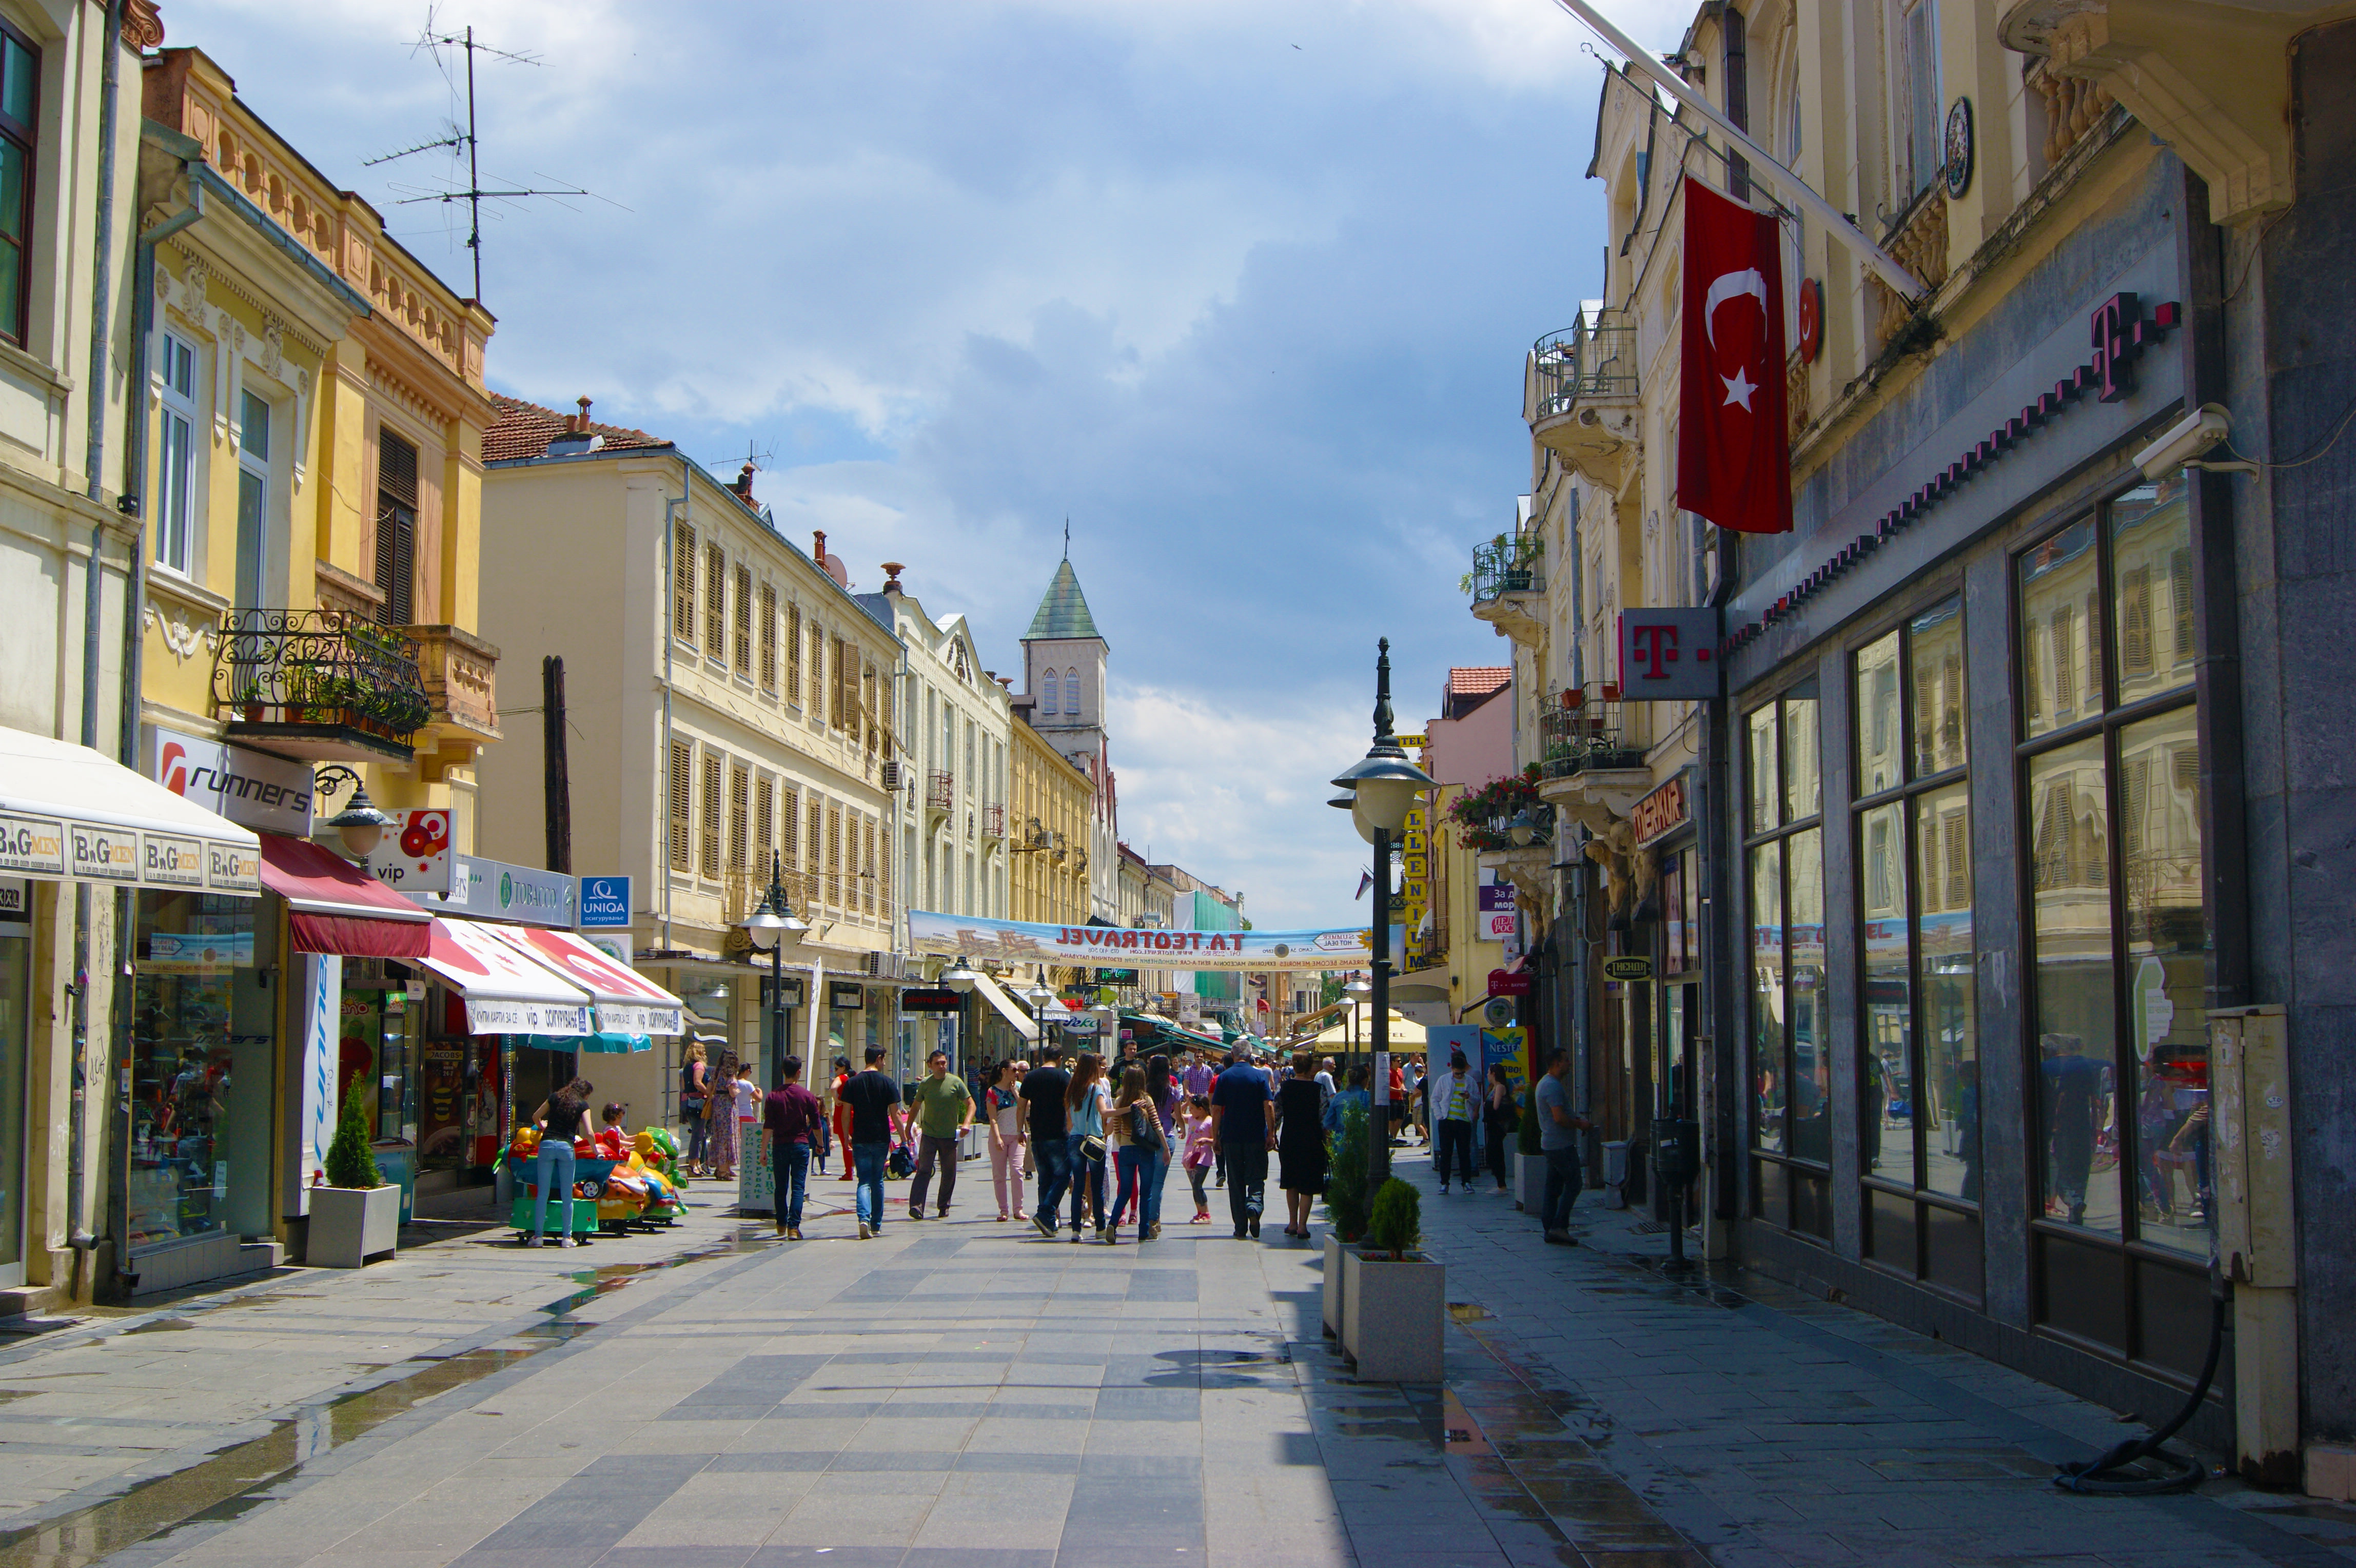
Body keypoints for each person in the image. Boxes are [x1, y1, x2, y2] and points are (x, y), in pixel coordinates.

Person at [840, 1045, 905, 1240]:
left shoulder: (853, 1083)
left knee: (864, 1180)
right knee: (877, 1180)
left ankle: (863, 1218)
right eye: (883, 1059)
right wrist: (903, 1137)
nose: (884, 1063)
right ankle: (876, 1224)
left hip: (860, 1137)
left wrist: (845, 1136)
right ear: (878, 1059)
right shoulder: (887, 1082)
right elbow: (896, 1113)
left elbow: (845, 1114)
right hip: (880, 1138)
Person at [1210, 1045, 1274, 1238]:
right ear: (1250, 1056)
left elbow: (1216, 1109)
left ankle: (1240, 1226)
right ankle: (1254, 1206)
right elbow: (1268, 1105)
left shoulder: (1224, 1077)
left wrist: (1216, 1137)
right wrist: (1271, 1133)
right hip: (1256, 1136)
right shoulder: (1259, 1077)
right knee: (1256, 1177)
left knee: (1236, 1181)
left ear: (1233, 1055)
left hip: (1231, 1136)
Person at [528, 1078, 596, 1248]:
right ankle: (567, 1238)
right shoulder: (583, 1105)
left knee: (542, 1193)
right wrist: (596, 1151)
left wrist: (542, 1126)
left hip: (547, 1144)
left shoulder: (554, 1097)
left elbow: (536, 1116)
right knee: (567, 1195)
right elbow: (589, 1132)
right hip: (567, 1147)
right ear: (584, 1094)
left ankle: (538, 1237)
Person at [907, 1049, 973, 1220]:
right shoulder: (926, 1084)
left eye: (943, 1063)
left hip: (949, 1136)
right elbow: (915, 1107)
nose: (941, 1066)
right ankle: (916, 1207)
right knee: (924, 1170)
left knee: (949, 1172)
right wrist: (908, 1128)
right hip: (929, 1135)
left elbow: (971, 1104)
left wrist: (966, 1123)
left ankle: (944, 1206)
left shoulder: (955, 1082)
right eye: (937, 1063)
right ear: (930, 1066)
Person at [762, 1055, 823, 1239]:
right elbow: (817, 1124)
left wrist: (763, 1150)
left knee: (780, 1187)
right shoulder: (807, 1096)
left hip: (779, 1146)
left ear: (783, 1071)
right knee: (798, 1187)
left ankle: (781, 1223)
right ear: (799, 1072)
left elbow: (768, 1126)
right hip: (800, 1145)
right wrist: (820, 1145)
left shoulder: (773, 1096)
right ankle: (794, 1227)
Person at [1536, 1048, 1592, 1244]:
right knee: (1574, 1183)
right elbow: (1559, 1118)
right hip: (1561, 1145)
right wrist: (1579, 1124)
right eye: (1567, 1060)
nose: (1569, 1063)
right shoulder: (1552, 1086)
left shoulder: (1547, 1084)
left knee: (1553, 1186)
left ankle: (1549, 1227)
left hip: (1551, 1144)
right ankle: (1559, 1226)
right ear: (1557, 1063)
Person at [1108, 1064, 1169, 1243]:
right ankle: (1143, 1231)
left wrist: (1124, 1144)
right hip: (1145, 1150)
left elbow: (1117, 1130)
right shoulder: (1146, 1100)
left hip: (1126, 1150)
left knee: (1125, 1191)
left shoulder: (1120, 1101)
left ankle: (1113, 1224)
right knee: (1146, 1192)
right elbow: (1157, 1125)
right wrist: (1165, 1148)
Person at [1274, 1051, 1328, 1238]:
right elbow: (1324, 1118)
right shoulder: (1318, 1089)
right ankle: (1303, 1227)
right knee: (1308, 1184)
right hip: (1312, 1139)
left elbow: (1277, 1113)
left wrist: (1272, 1134)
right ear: (1310, 1067)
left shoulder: (1285, 1087)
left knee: (1291, 1182)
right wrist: (1327, 1140)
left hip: (1290, 1139)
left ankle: (1292, 1222)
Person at [1023, 1052, 1073, 1238]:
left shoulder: (1031, 1077)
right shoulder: (1063, 1076)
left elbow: (1022, 1105)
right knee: (1063, 1175)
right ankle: (1045, 1212)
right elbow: (1068, 1103)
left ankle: (1049, 1223)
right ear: (1060, 1058)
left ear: (1044, 1057)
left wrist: (1022, 1129)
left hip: (1037, 1134)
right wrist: (1071, 1126)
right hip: (1057, 1134)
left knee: (1044, 1178)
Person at [1066, 1051, 1111, 1241]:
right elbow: (1104, 1111)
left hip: (1076, 1139)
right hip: (1093, 1141)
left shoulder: (1071, 1090)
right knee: (1096, 1185)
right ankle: (1100, 1227)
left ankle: (1076, 1230)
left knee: (1078, 1186)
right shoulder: (1096, 1089)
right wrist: (1125, 1109)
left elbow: (1069, 1124)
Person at [1427, 1048, 1478, 1192]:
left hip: (1464, 1121)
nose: (1460, 1076)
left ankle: (1466, 1182)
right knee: (1446, 1153)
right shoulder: (1444, 1080)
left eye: (1462, 1073)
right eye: (1457, 1073)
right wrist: (1440, 1117)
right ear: (1452, 1069)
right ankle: (1445, 1183)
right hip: (1447, 1121)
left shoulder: (1471, 1081)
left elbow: (1477, 1099)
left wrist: (1469, 1097)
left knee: (1464, 1153)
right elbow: (1435, 1099)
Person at [986, 1062, 1028, 1222]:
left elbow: (1027, 1107)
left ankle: (1019, 1209)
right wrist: (997, 1138)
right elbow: (993, 1118)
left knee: (1017, 1171)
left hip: (1017, 1135)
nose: (1017, 1073)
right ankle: (1004, 1210)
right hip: (1000, 1135)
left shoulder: (1019, 1087)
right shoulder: (993, 1091)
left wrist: (1015, 1092)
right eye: (1014, 1070)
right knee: (999, 1175)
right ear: (1004, 1071)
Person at [1483, 1065, 1520, 1194]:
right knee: (1493, 1152)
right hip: (1492, 1125)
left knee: (1496, 1152)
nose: (1487, 1075)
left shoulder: (1500, 1087)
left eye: (1488, 1073)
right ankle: (1500, 1183)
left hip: (1498, 1125)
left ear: (1494, 1074)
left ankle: (1502, 1184)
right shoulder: (1492, 1088)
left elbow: (1495, 1106)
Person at [1182, 1093, 1216, 1222]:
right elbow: (1176, 1115)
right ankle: (1200, 1212)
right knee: (1194, 1186)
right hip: (1190, 1156)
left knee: (1197, 1184)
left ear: (1201, 1109)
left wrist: (1206, 1140)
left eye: (1192, 1108)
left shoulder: (1209, 1121)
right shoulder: (1192, 1119)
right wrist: (1186, 1103)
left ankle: (1206, 1213)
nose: (1190, 1111)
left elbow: (1215, 1140)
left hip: (1203, 1157)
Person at [680, 1041, 712, 1176]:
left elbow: (683, 1086)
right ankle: (693, 1164)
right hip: (699, 1101)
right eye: (703, 1051)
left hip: (689, 1101)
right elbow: (698, 1083)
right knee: (698, 1135)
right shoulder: (699, 1066)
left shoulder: (687, 1067)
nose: (705, 1053)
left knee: (699, 1133)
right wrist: (709, 1093)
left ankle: (698, 1163)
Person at [707, 1052, 740, 1181]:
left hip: (717, 1106)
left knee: (718, 1136)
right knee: (727, 1138)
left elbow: (710, 1088)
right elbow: (732, 1093)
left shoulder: (716, 1071)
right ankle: (723, 1171)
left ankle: (721, 1167)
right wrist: (737, 1091)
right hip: (727, 1109)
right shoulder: (730, 1073)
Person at [1324, 1063, 1371, 1136]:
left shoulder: (1338, 1097)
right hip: (1364, 1141)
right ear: (1365, 1080)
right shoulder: (1369, 1097)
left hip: (1342, 1141)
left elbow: (1328, 1123)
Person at [830, 1055, 855, 1182]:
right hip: (853, 1112)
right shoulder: (854, 1077)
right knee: (854, 1142)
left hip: (842, 1113)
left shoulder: (841, 1078)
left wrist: (836, 1099)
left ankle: (848, 1172)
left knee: (846, 1143)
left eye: (836, 1068)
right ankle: (855, 1167)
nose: (835, 1071)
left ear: (843, 1068)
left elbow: (833, 1088)